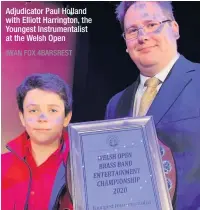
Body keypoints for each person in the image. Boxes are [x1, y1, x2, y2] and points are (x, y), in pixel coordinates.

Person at [105, 1, 200, 210]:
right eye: (132, 30)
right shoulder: (115, 104)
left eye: (151, 25)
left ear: (174, 28)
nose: (143, 37)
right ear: (125, 42)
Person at [2, 73, 73, 210]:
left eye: (52, 110)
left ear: (66, 118)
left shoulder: (82, 168)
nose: (42, 118)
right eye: (33, 110)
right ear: (22, 117)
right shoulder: (2, 166)